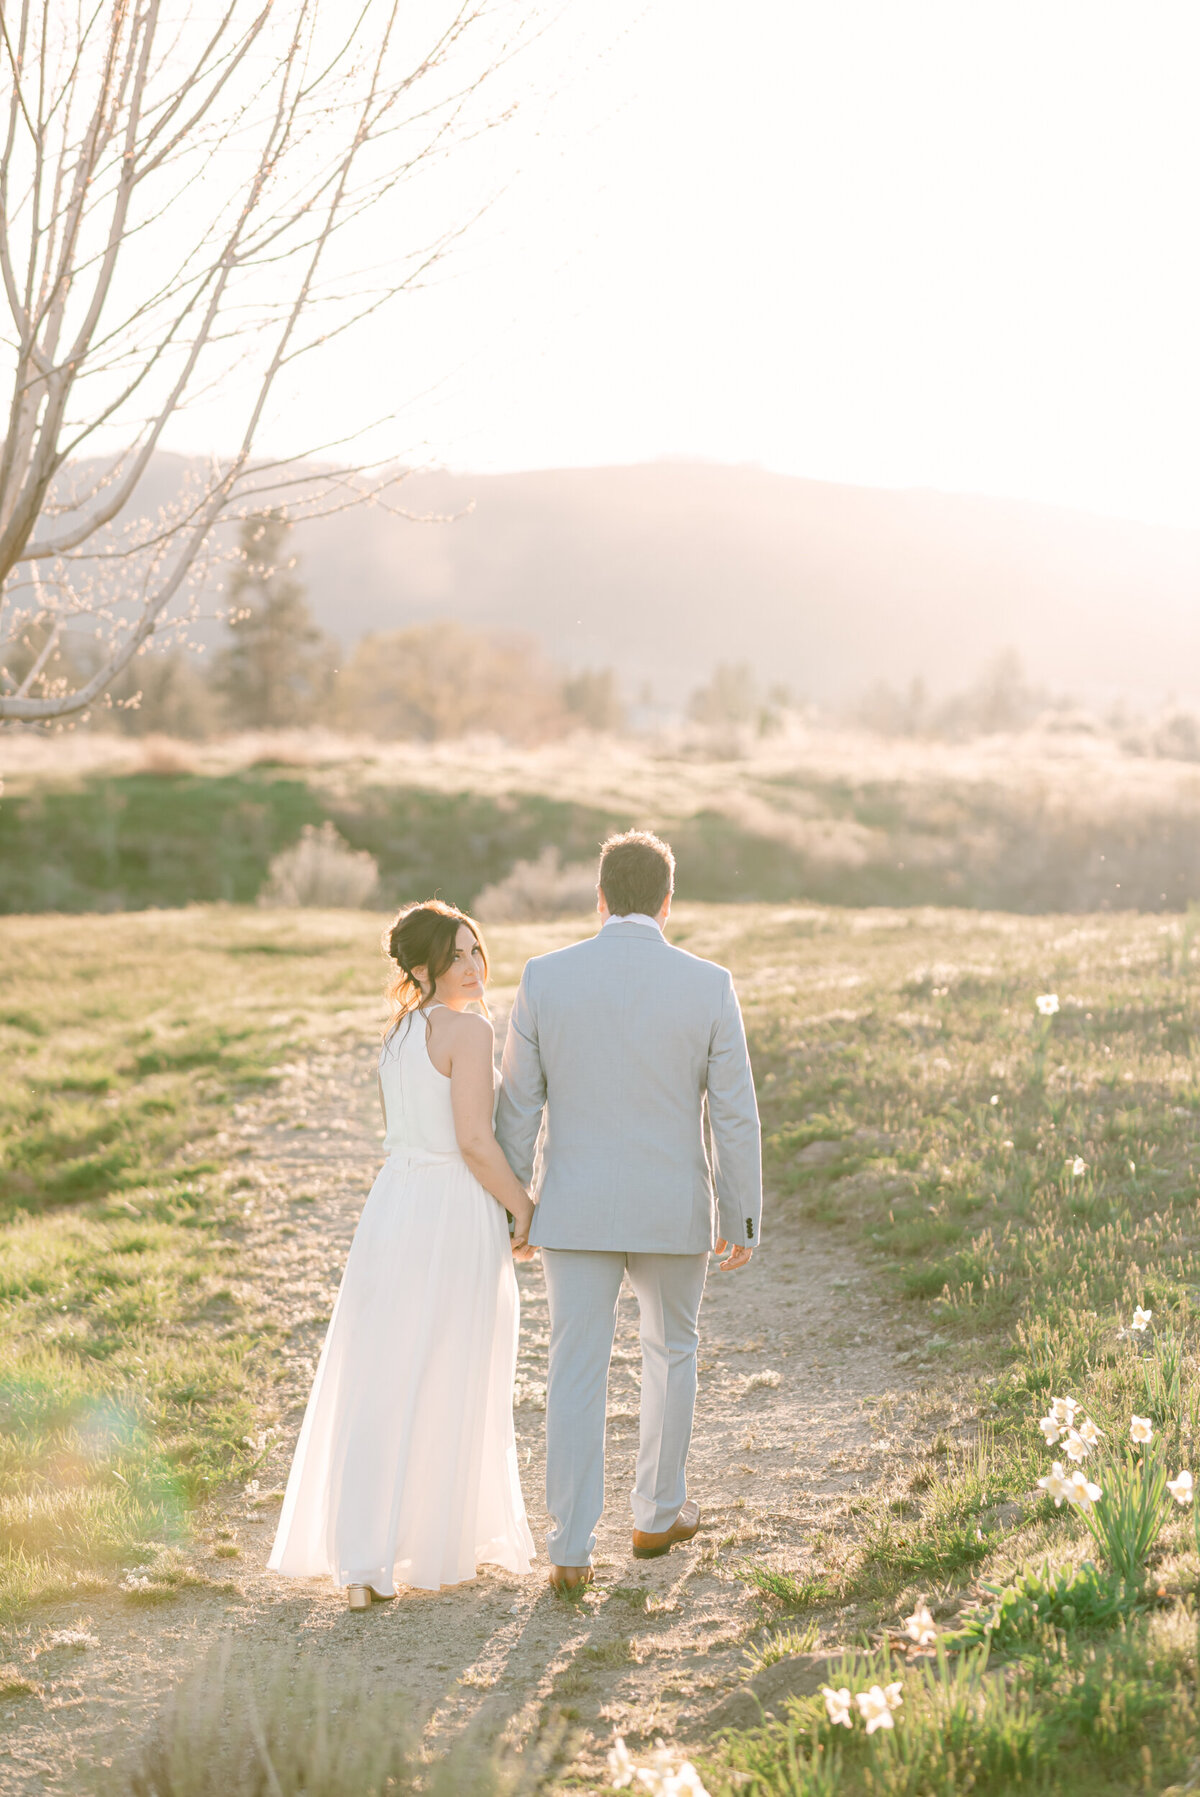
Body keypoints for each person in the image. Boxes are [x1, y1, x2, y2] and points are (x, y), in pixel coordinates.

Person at [496, 830, 762, 1595]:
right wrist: (739, 1214)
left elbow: (518, 1104)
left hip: (573, 1209)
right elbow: (734, 1114)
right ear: (669, 902)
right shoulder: (709, 983)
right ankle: (656, 1513)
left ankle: (570, 1545)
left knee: (574, 1368)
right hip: (673, 1207)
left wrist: (516, 1206)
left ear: (601, 896)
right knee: (671, 1351)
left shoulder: (545, 977)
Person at [269, 900, 536, 1608]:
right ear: (422, 967)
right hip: (451, 1207)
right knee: (450, 1364)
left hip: (393, 1207)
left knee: (386, 1374)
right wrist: (524, 1205)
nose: (474, 967)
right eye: (456, 957)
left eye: (477, 951)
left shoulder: (399, 1033)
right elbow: (476, 1142)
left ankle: (364, 1560)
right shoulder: (469, 1032)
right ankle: (430, 1540)